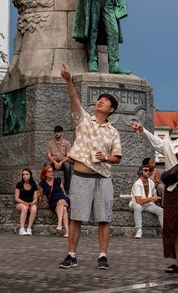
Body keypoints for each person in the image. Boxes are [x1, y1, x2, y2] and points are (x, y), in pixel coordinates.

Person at [59, 64, 122, 270]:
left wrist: (105, 158)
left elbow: (117, 158)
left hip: (103, 179)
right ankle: (71, 255)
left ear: (111, 109)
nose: (100, 101)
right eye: (99, 99)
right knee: (76, 217)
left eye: (105, 101)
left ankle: (103, 255)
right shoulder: (84, 120)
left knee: (104, 219)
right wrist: (68, 80)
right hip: (81, 176)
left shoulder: (113, 132)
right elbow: (74, 98)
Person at [131, 117, 178, 278]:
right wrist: (141, 130)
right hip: (172, 190)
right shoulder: (168, 144)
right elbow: (154, 142)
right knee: (172, 226)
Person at [129, 165, 163, 239]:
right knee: (138, 207)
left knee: (161, 211)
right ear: (141, 172)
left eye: (149, 170)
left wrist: (154, 199)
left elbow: (154, 192)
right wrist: (152, 198)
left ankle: (166, 231)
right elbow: (139, 201)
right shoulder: (137, 184)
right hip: (135, 203)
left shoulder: (151, 182)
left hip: (148, 204)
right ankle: (138, 230)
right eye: (145, 170)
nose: (148, 172)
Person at [39, 164, 70, 237]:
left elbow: (63, 192)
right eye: (49, 172)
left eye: (52, 171)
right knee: (64, 209)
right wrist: (35, 203)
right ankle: (67, 232)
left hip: (63, 199)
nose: (51, 173)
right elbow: (40, 196)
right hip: (53, 203)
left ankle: (59, 224)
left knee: (61, 201)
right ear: (45, 174)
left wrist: (65, 197)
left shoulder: (58, 180)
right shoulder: (42, 184)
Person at [46, 125, 73, 193]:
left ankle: (67, 189)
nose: (56, 133)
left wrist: (60, 163)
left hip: (63, 161)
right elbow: (49, 155)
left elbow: (68, 156)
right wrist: (55, 162)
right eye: (55, 132)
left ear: (61, 133)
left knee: (68, 166)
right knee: (46, 165)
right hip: (54, 160)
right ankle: (46, 186)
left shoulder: (67, 143)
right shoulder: (50, 143)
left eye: (58, 132)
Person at [15, 168, 39, 236]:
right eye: (23, 174)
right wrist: (25, 203)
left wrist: (32, 203)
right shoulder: (19, 184)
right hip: (20, 203)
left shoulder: (34, 185)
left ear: (30, 175)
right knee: (24, 208)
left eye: (26, 174)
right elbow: (16, 198)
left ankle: (29, 228)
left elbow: (35, 198)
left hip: (30, 203)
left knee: (34, 209)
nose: (25, 176)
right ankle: (22, 229)